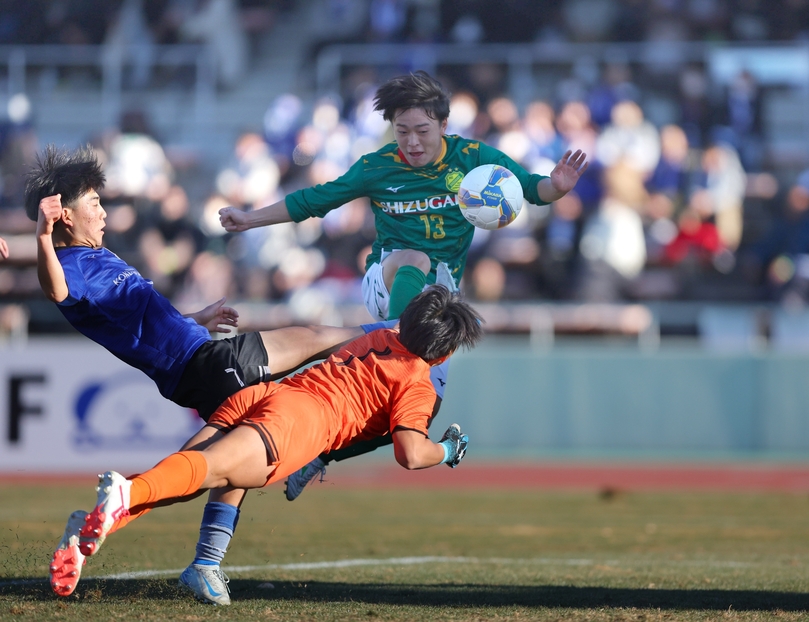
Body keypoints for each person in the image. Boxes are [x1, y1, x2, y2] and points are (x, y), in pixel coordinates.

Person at [24, 145, 384, 602]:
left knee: (209, 469)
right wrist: (41, 235)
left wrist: (197, 317)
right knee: (311, 341)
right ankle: (392, 333)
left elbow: (145, 320)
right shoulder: (70, 265)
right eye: (94, 203)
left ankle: (131, 528)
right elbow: (53, 289)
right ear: (66, 217)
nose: (104, 213)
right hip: (200, 365)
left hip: (196, 358)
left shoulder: (99, 257)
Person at [219, 70, 589, 498]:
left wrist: (556, 187)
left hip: (439, 303)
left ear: (444, 126)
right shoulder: (377, 166)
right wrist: (250, 218)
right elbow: (314, 200)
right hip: (388, 280)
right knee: (415, 258)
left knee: (412, 420)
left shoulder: (473, 158)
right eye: (402, 131)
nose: (412, 142)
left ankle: (323, 455)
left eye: (422, 131)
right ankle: (393, 339)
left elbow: (530, 189)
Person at [54, 285, 481, 605]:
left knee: (189, 473)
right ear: (444, 355)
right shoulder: (419, 381)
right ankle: (126, 495)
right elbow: (410, 452)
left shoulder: (378, 337)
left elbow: (320, 338)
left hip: (270, 392)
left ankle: (152, 543)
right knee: (205, 472)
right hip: (300, 421)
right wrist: (448, 450)